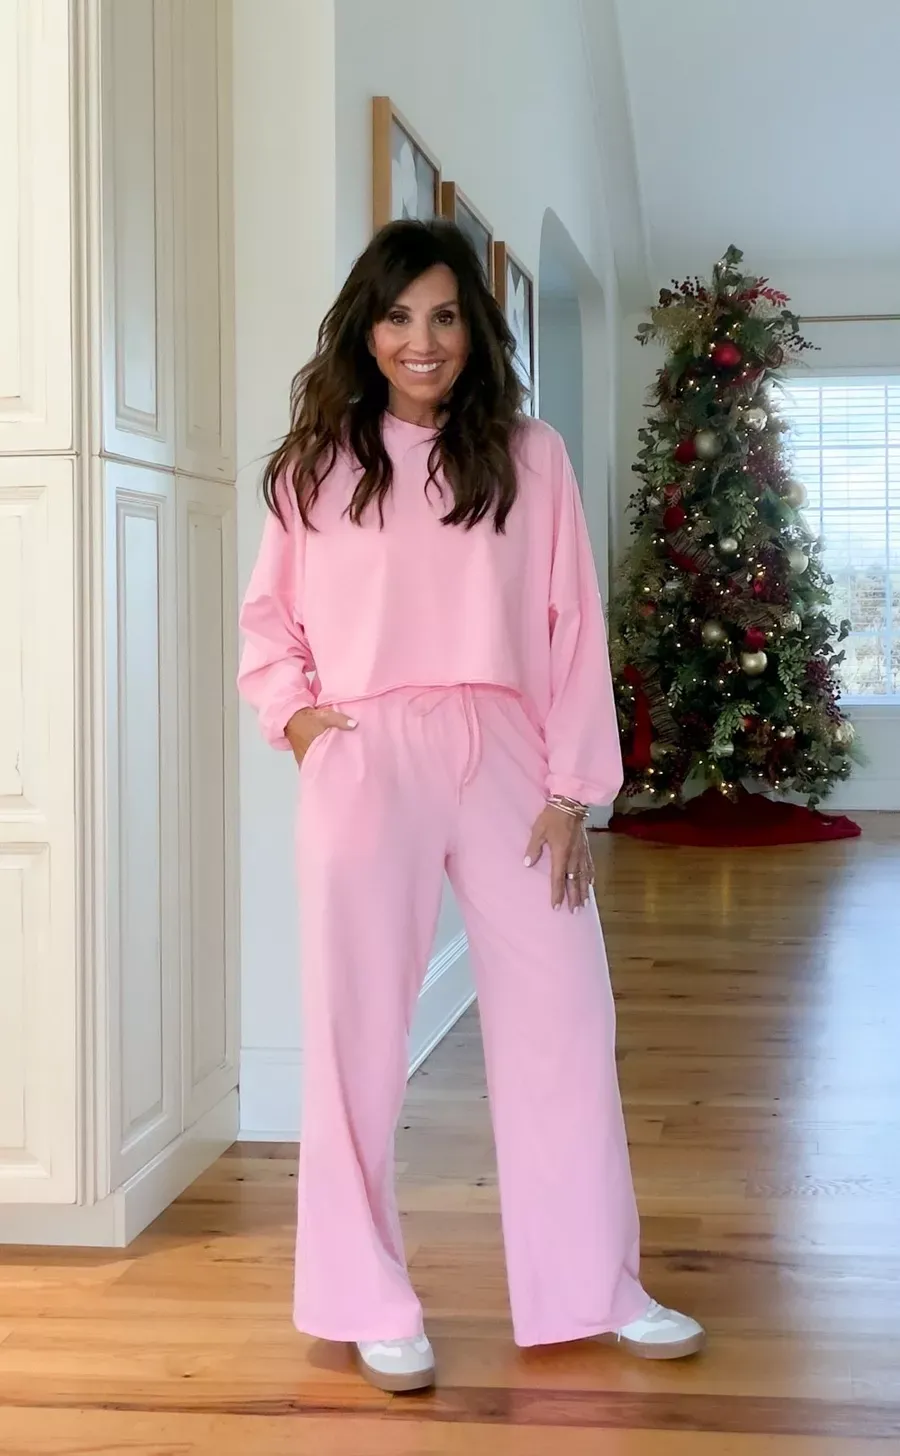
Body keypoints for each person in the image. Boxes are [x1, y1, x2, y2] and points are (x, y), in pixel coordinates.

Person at [238, 219, 705, 1393]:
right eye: (399, 317)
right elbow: (267, 629)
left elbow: (572, 630)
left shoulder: (530, 458)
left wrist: (572, 791)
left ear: (474, 330)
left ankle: (596, 1281)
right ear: (367, 327)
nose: (422, 340)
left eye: (445, 316)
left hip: (504, 749)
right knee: (355, 1035)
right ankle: (362, 1294)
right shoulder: (314, 469)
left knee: (563, 1011)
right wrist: (301, 725)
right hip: (364, 750)